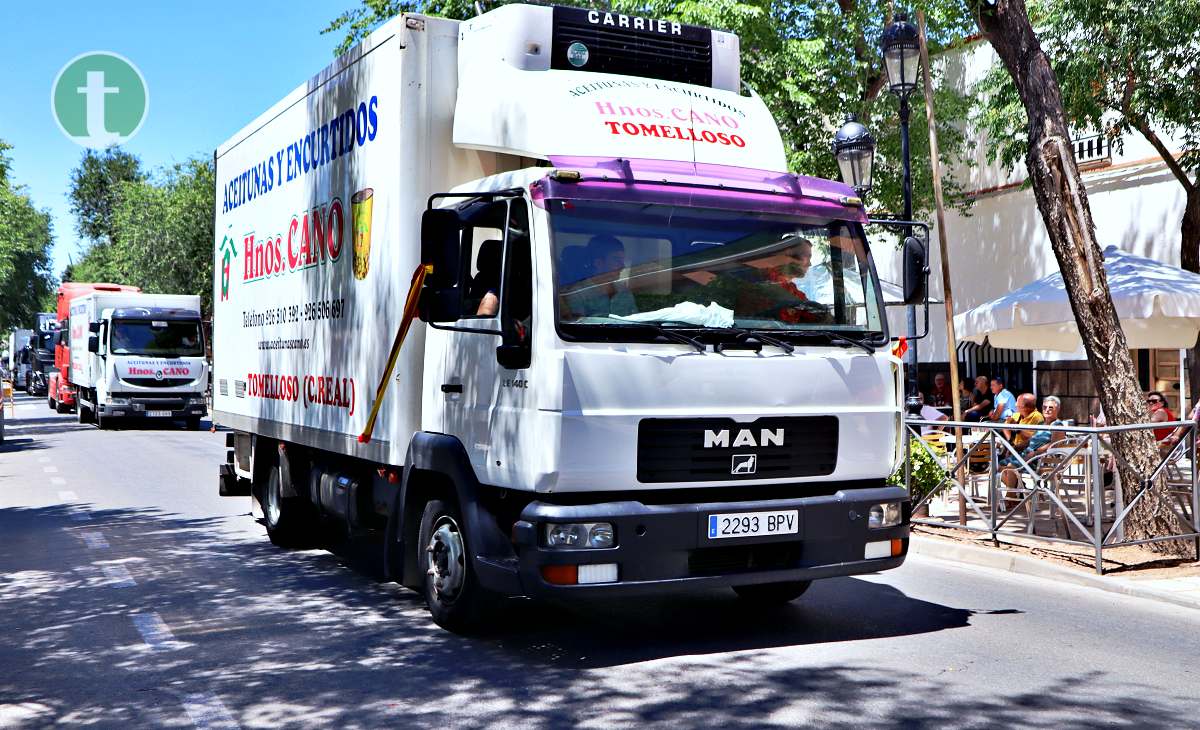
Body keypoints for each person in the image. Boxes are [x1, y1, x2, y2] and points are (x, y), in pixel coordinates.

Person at [998, 395, 1065, 504]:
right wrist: (1014, 447)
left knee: (1010, 467)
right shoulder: (1041, 424)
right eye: (1044, 407)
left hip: (1039, 460)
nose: (1047, 410)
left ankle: (1009, 499)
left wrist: (1035, 453)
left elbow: (1054, 445)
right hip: (1027, 455)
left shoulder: (1058, 425)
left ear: (1057, 409)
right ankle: (1019, 491)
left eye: (1050, 408)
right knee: (999, 466)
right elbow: (1030, 440)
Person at [564, 235, 636, 317]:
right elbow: (576, 327)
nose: (622, 266)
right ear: (598, 263)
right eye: (616, 260)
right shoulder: (578, 294)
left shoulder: (624, 290)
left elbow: (636, 320)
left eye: (622, 260)